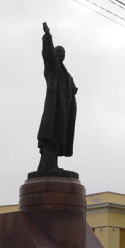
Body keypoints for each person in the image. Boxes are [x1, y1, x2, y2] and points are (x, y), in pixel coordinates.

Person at [36, 22, 78, 173]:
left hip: (63, 111)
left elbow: (69, 88)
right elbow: (47, 55)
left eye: (63, 52)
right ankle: (49, 166)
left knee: (57, 137)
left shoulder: (66, 73)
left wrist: (72, 89)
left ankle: (46, 165)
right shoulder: (52, 68)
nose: (61, 54)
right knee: (51, 137)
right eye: (59, 52)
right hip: (53, 110)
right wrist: (48, 37)